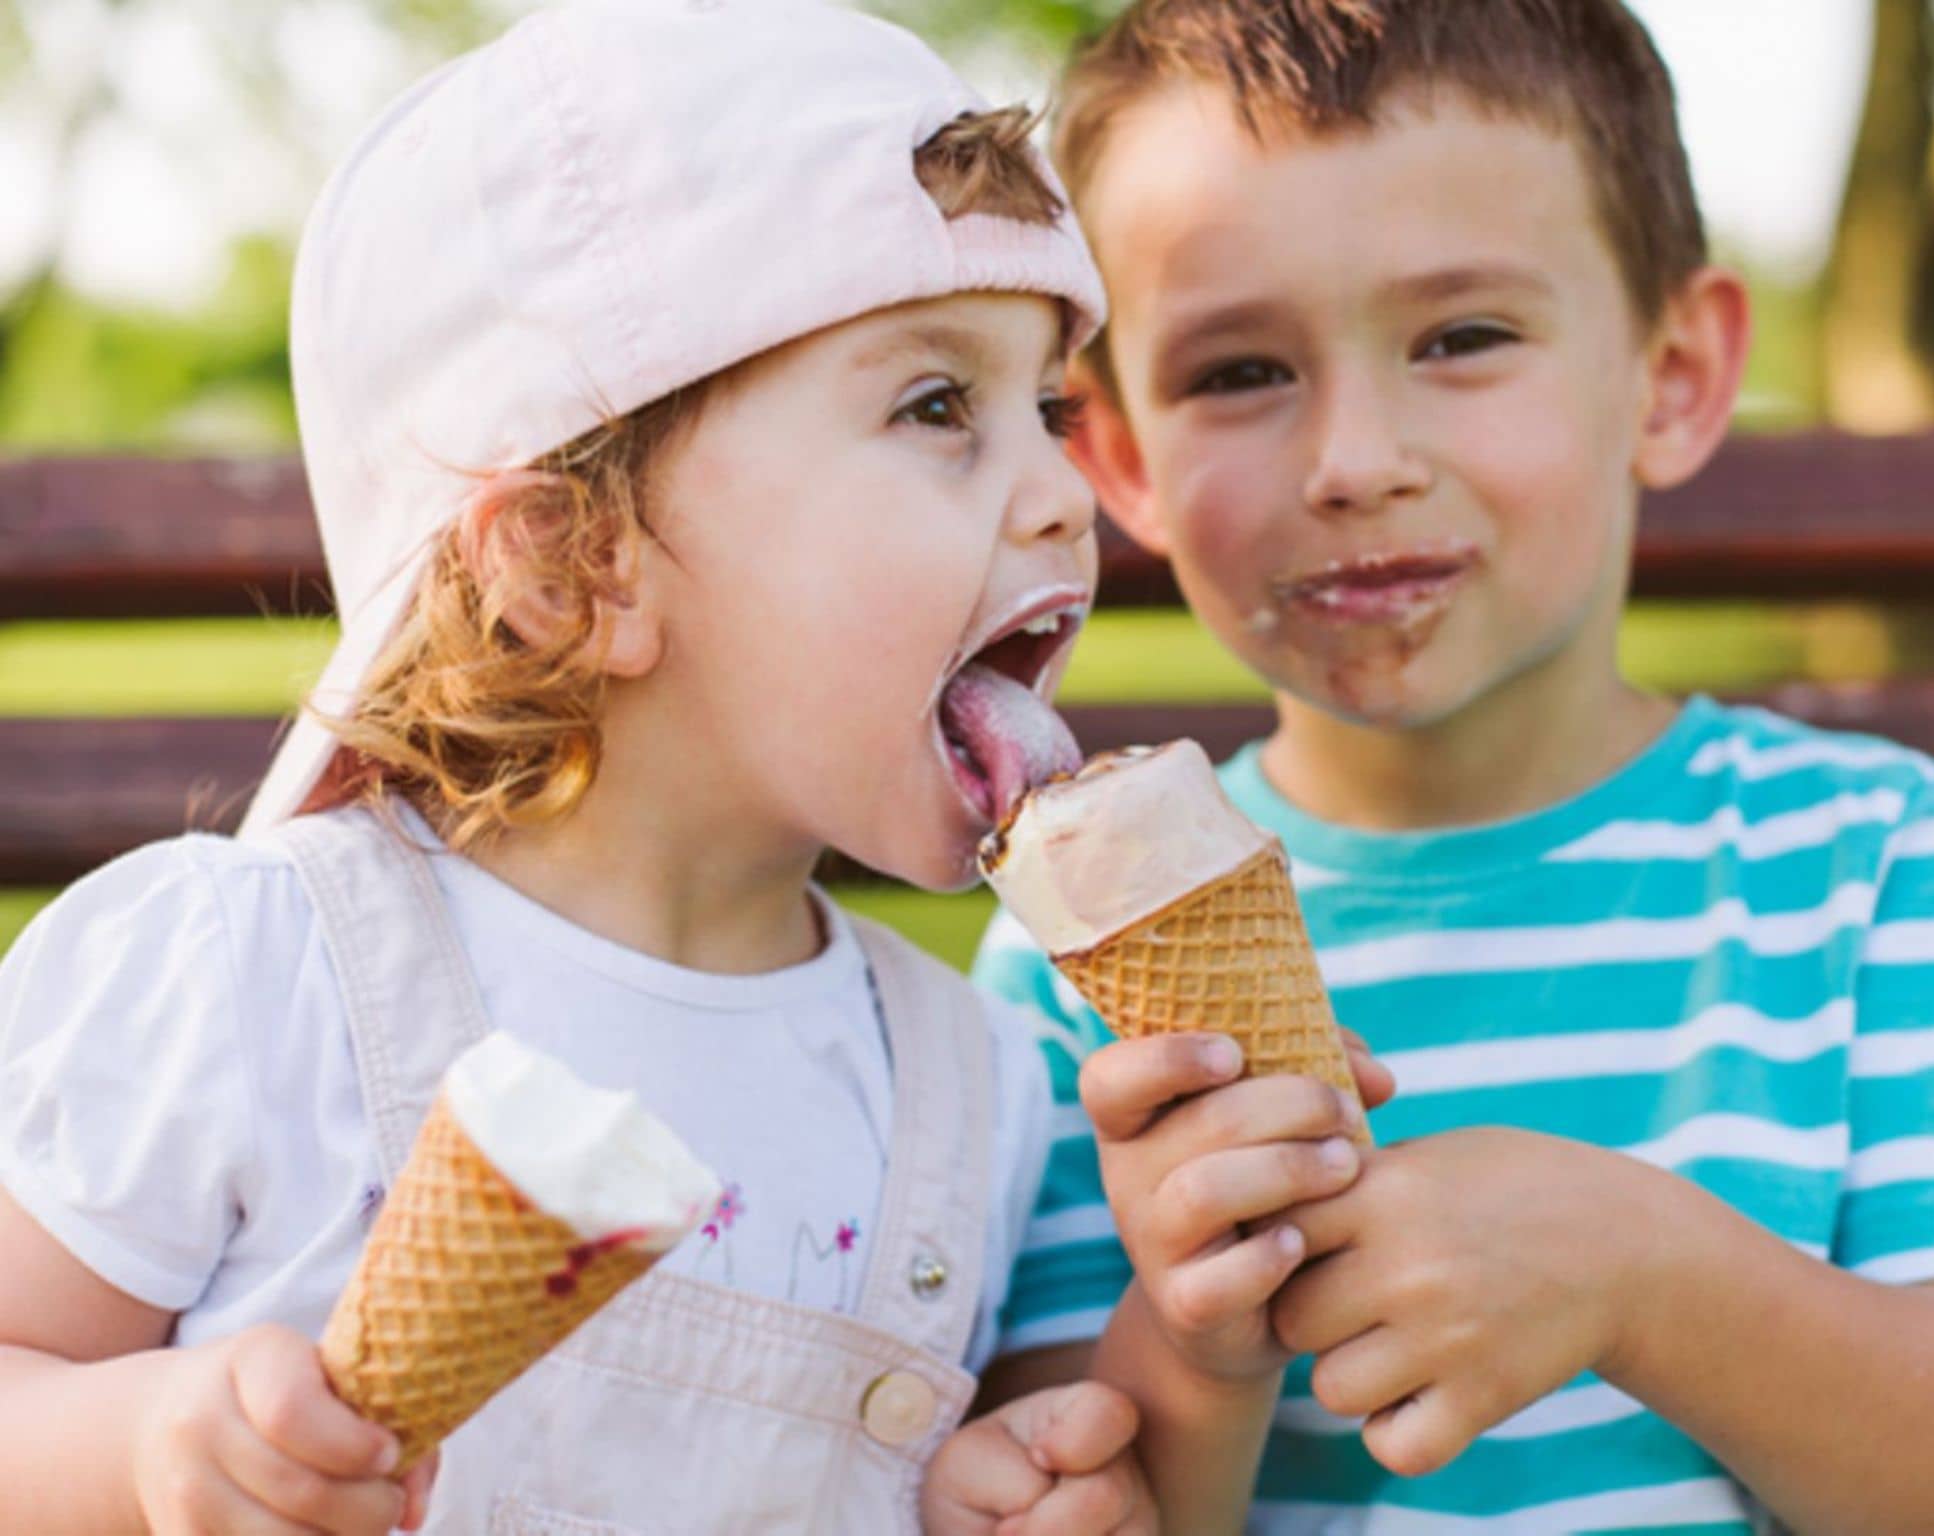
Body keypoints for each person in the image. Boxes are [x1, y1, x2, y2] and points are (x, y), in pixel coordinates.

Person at [0, 3, 1157, 1531]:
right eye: (937, 406)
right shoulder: (249, 983)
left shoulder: (971, 1087)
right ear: (575, 565)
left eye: (1051, 409)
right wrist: (149, 1443)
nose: (1065, 495)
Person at [971, 1, 1934, 1529]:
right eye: (1238, 371)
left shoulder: (1864, 861)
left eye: (1462, 338)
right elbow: (1060, 1495)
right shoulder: (1071, 964)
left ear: (1672, 374)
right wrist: (1198, 1346)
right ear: (1125, 460)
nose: (1355, 462)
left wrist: (1644, 1274)